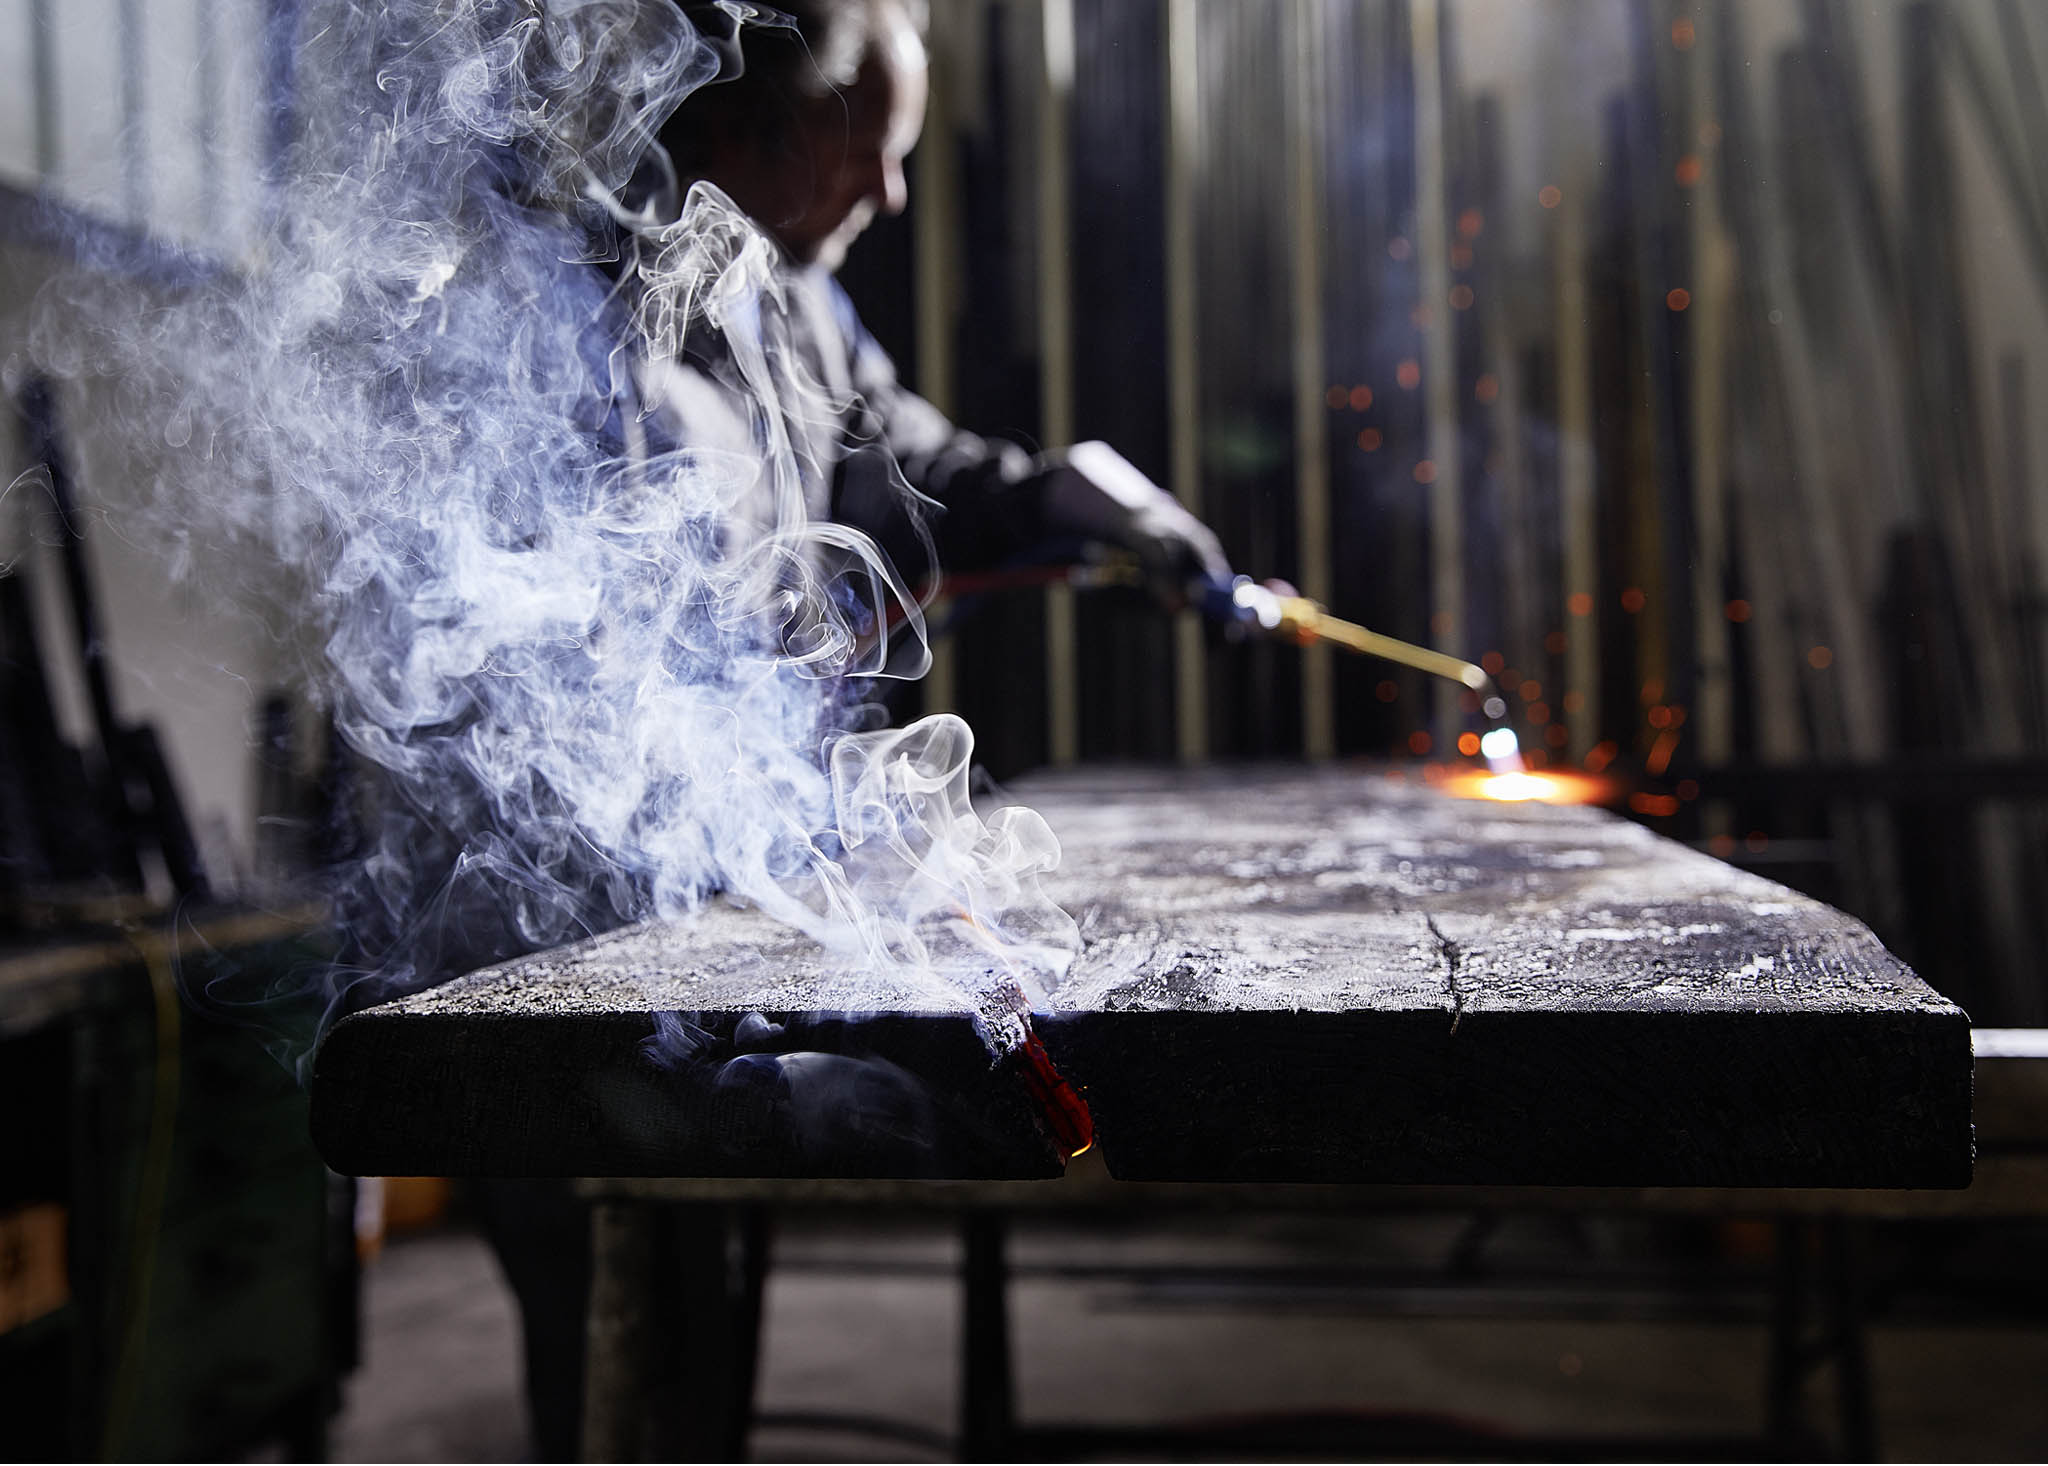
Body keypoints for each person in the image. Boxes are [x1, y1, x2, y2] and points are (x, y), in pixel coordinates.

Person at [477, 5, 1234, 1456]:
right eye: (873, 154)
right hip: (557, 938)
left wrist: (1068, 490)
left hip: (726, 917)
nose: (892, 195)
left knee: (708, 1301)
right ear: (757, 131)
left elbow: (914, 462)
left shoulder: (801, 304)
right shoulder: (575, 318)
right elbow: (572, 697)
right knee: (612, 1323)